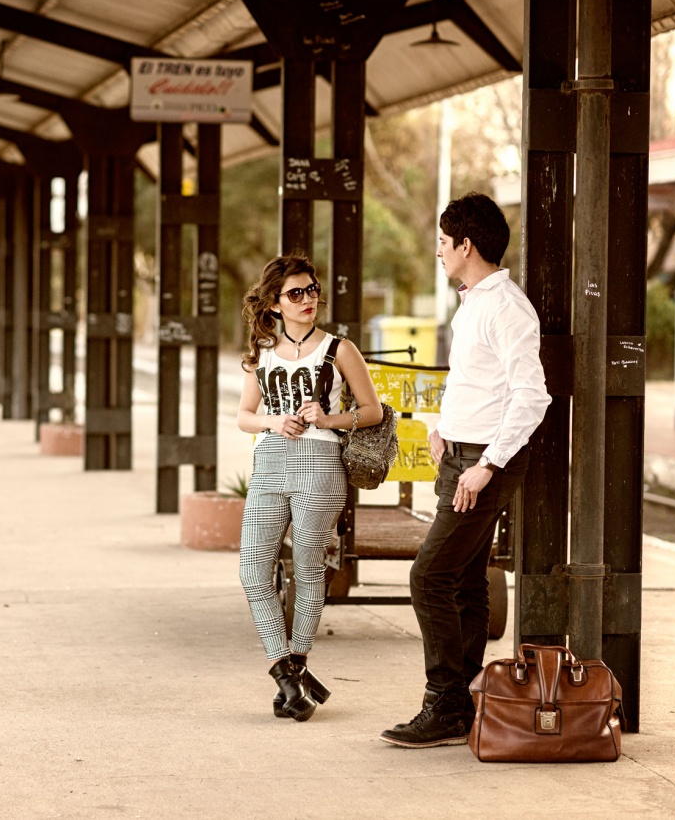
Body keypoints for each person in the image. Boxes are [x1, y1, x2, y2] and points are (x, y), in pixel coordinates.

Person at [380, 192, 551, 748]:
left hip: (484, 462)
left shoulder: (508, 307)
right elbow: (477, 382)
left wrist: (486, 466)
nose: (438, 251)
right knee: (466, 584)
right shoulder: (474, 301)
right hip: (459, 453)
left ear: (466, 245)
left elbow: (531, 396)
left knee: (428, 576)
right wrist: (441, 425)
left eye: (442, 242)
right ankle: (466, 701)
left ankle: (444, 702)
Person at [236, 253, 383, 721]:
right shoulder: (260, 353)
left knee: (308, 570)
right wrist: (273, 421)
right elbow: (243, 418)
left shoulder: (340, 349)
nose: (307, 300)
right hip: (270, 462)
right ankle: (286, 674)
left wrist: (330, 417)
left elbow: (373, 411)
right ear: (275, 304)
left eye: (312, 291)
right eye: (295, 294)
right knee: (253, 570)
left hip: (320, 464)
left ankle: (297, 667)